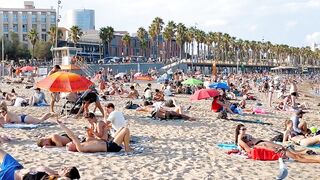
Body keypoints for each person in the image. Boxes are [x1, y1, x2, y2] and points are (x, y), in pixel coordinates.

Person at [235, 124, 320, 163]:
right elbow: (249, 150)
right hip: (273, 149)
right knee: (297, 157)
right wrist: (273, 149)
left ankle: (314, 157)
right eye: (243, 129)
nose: (245, 130)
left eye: (245, 129)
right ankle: (316, 160)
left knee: (296, 154)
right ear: (239, 131)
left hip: (273, 146)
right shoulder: (240, 140)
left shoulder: (246, 137)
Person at [57, 119, 132, 153]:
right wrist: (62, 125)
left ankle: (126, 146)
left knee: (122, 128)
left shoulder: (82, 144)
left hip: (108, 142)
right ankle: (127, 149)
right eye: (69, 144)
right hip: (111, 147)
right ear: (72, 148)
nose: (70, 142)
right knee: (126, 130)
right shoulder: (80, 148)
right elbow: (71, 135)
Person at [0, 149, 80, 179]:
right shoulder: (52, 172)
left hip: (9, 176)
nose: (64, 168)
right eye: (66, 167)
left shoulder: (52, 177)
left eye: (66, 170)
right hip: (16, 167)